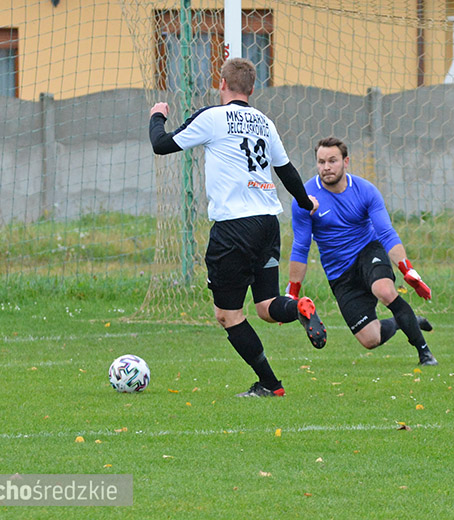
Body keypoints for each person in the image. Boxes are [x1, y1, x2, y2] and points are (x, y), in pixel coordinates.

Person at [148, 57, 327, 398]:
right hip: (267, 223)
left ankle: (271, 385)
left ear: (222, 85)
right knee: (267, 307)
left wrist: (157, 115)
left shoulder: (213, 117)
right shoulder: (265, 122)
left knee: (228, 314)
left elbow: (162, 144)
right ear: (252, 89)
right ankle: (299, 307)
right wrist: (306, 202)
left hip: (233, 227)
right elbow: (286, 171)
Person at [288, 137, 438, 366]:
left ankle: (424, 353)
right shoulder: (306, 197)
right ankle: (404, 320)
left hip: (367, 251)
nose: (326, 167)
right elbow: (300, 246)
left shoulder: (366, 190)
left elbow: (387, 234)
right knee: (370, 339)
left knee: (385, 290)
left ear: (346, 162)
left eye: (332, 161)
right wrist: (293, 291)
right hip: (339, 272)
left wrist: (407, 270)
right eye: (321, 162)